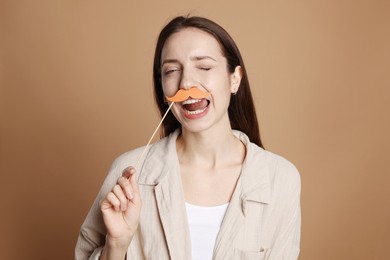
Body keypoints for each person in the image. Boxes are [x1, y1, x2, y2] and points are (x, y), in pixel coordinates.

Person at [75, 15, 301, 260]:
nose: (186, 83)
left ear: (234, 79)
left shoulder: (281, 179)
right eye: (171, 71)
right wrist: (117, 244)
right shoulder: (129, 173)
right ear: (163, 89)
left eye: (204, 67)